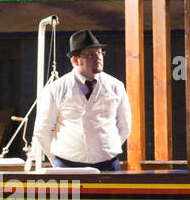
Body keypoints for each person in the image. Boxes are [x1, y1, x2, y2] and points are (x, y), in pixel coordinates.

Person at [32, 30, 131, 171]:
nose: (98, 57)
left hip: (108, 165)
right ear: (75, 60)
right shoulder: (56, 89)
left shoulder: (116, 86)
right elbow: (42, 131)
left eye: (100, 52)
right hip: (68, 164)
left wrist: (104, 149)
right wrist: (58, 161)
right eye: (91, 54)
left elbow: (124, 126)